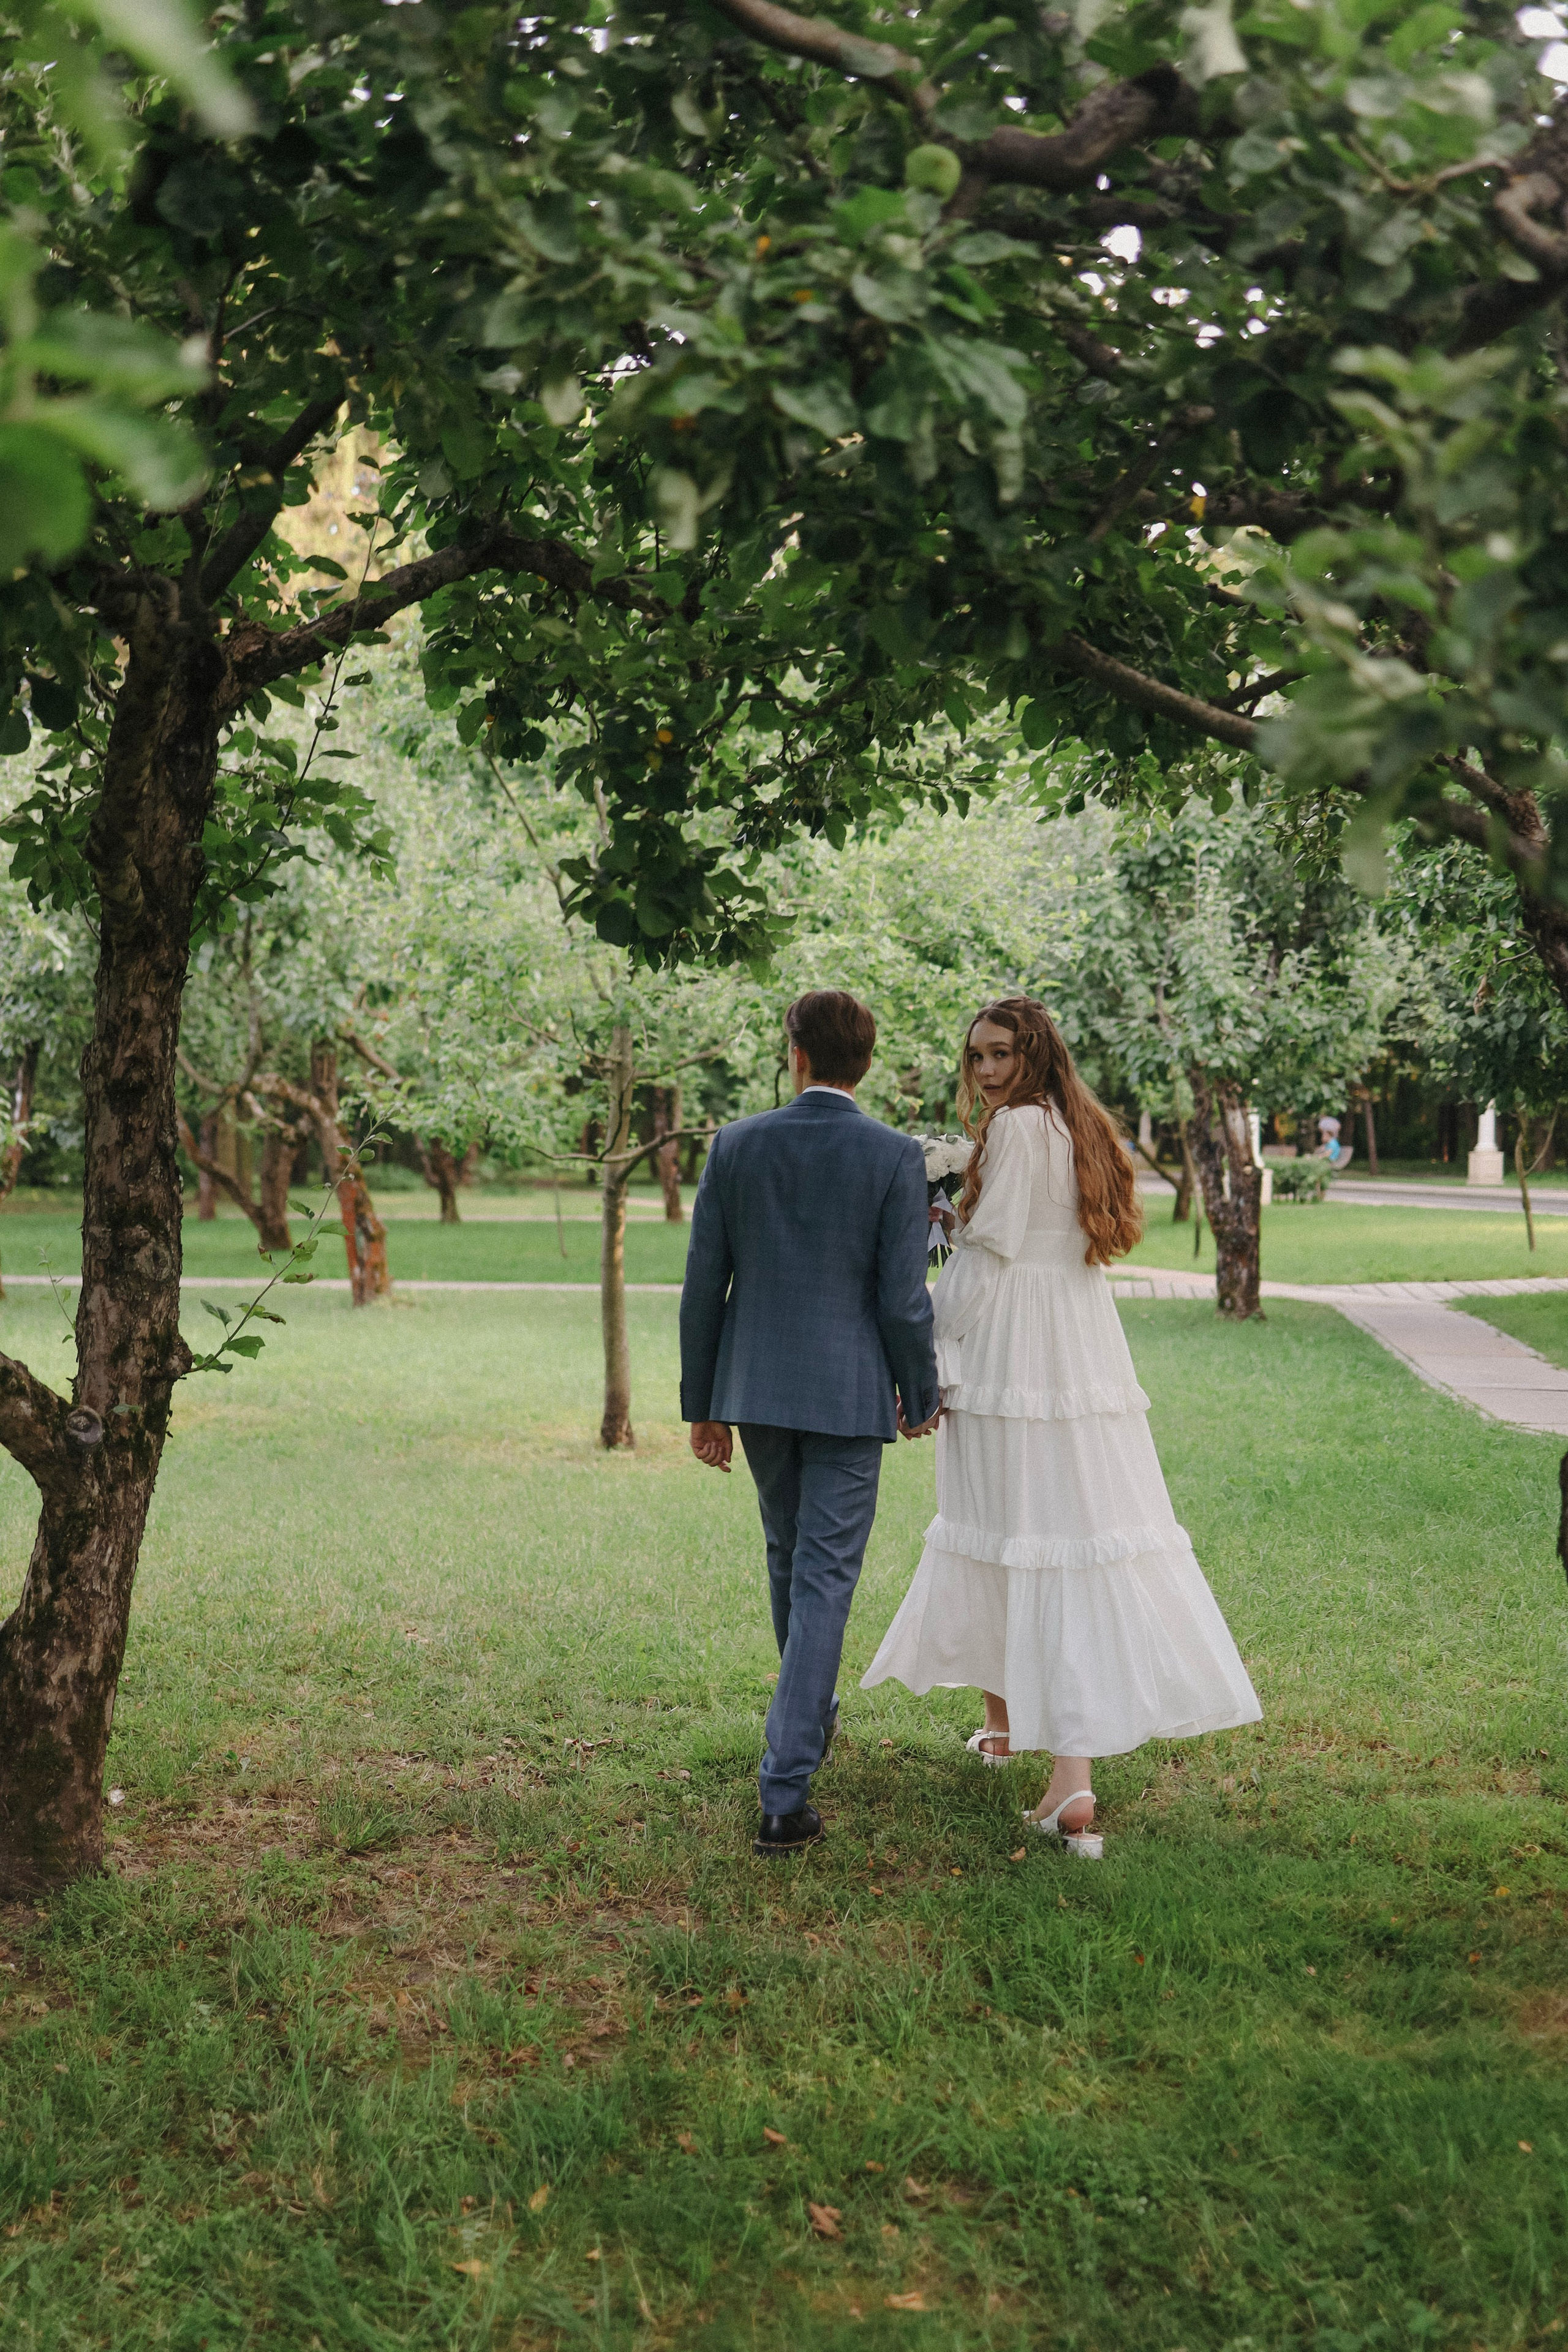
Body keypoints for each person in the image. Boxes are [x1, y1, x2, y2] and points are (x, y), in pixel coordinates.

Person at [861, 998, 1261, 1859]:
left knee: (1035, 1531)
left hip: (1017, 1349)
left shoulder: (1015, 1131)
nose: (988, 1070)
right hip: (1076, 1342)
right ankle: (1004, 1728)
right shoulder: (1073, 1125)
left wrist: (925, 1345)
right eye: (976, 1058)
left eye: (1002, 1053)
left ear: (1036, 1052)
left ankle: (1071, 1781)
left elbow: (987, 1261)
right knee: (1026, 1528)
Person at [680, 989, 941, 1857]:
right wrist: (921, 1390)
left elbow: (702, 1289)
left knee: (792, 1559)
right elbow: (904, 1301)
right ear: (864, 1063)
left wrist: (705, 1404)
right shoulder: (895, 1156)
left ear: (794, 1052)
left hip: (757, 1391)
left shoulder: (737, 1144)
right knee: (822, 1574)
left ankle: (809, 1713)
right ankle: (783, 1791)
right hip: (847, 1393)